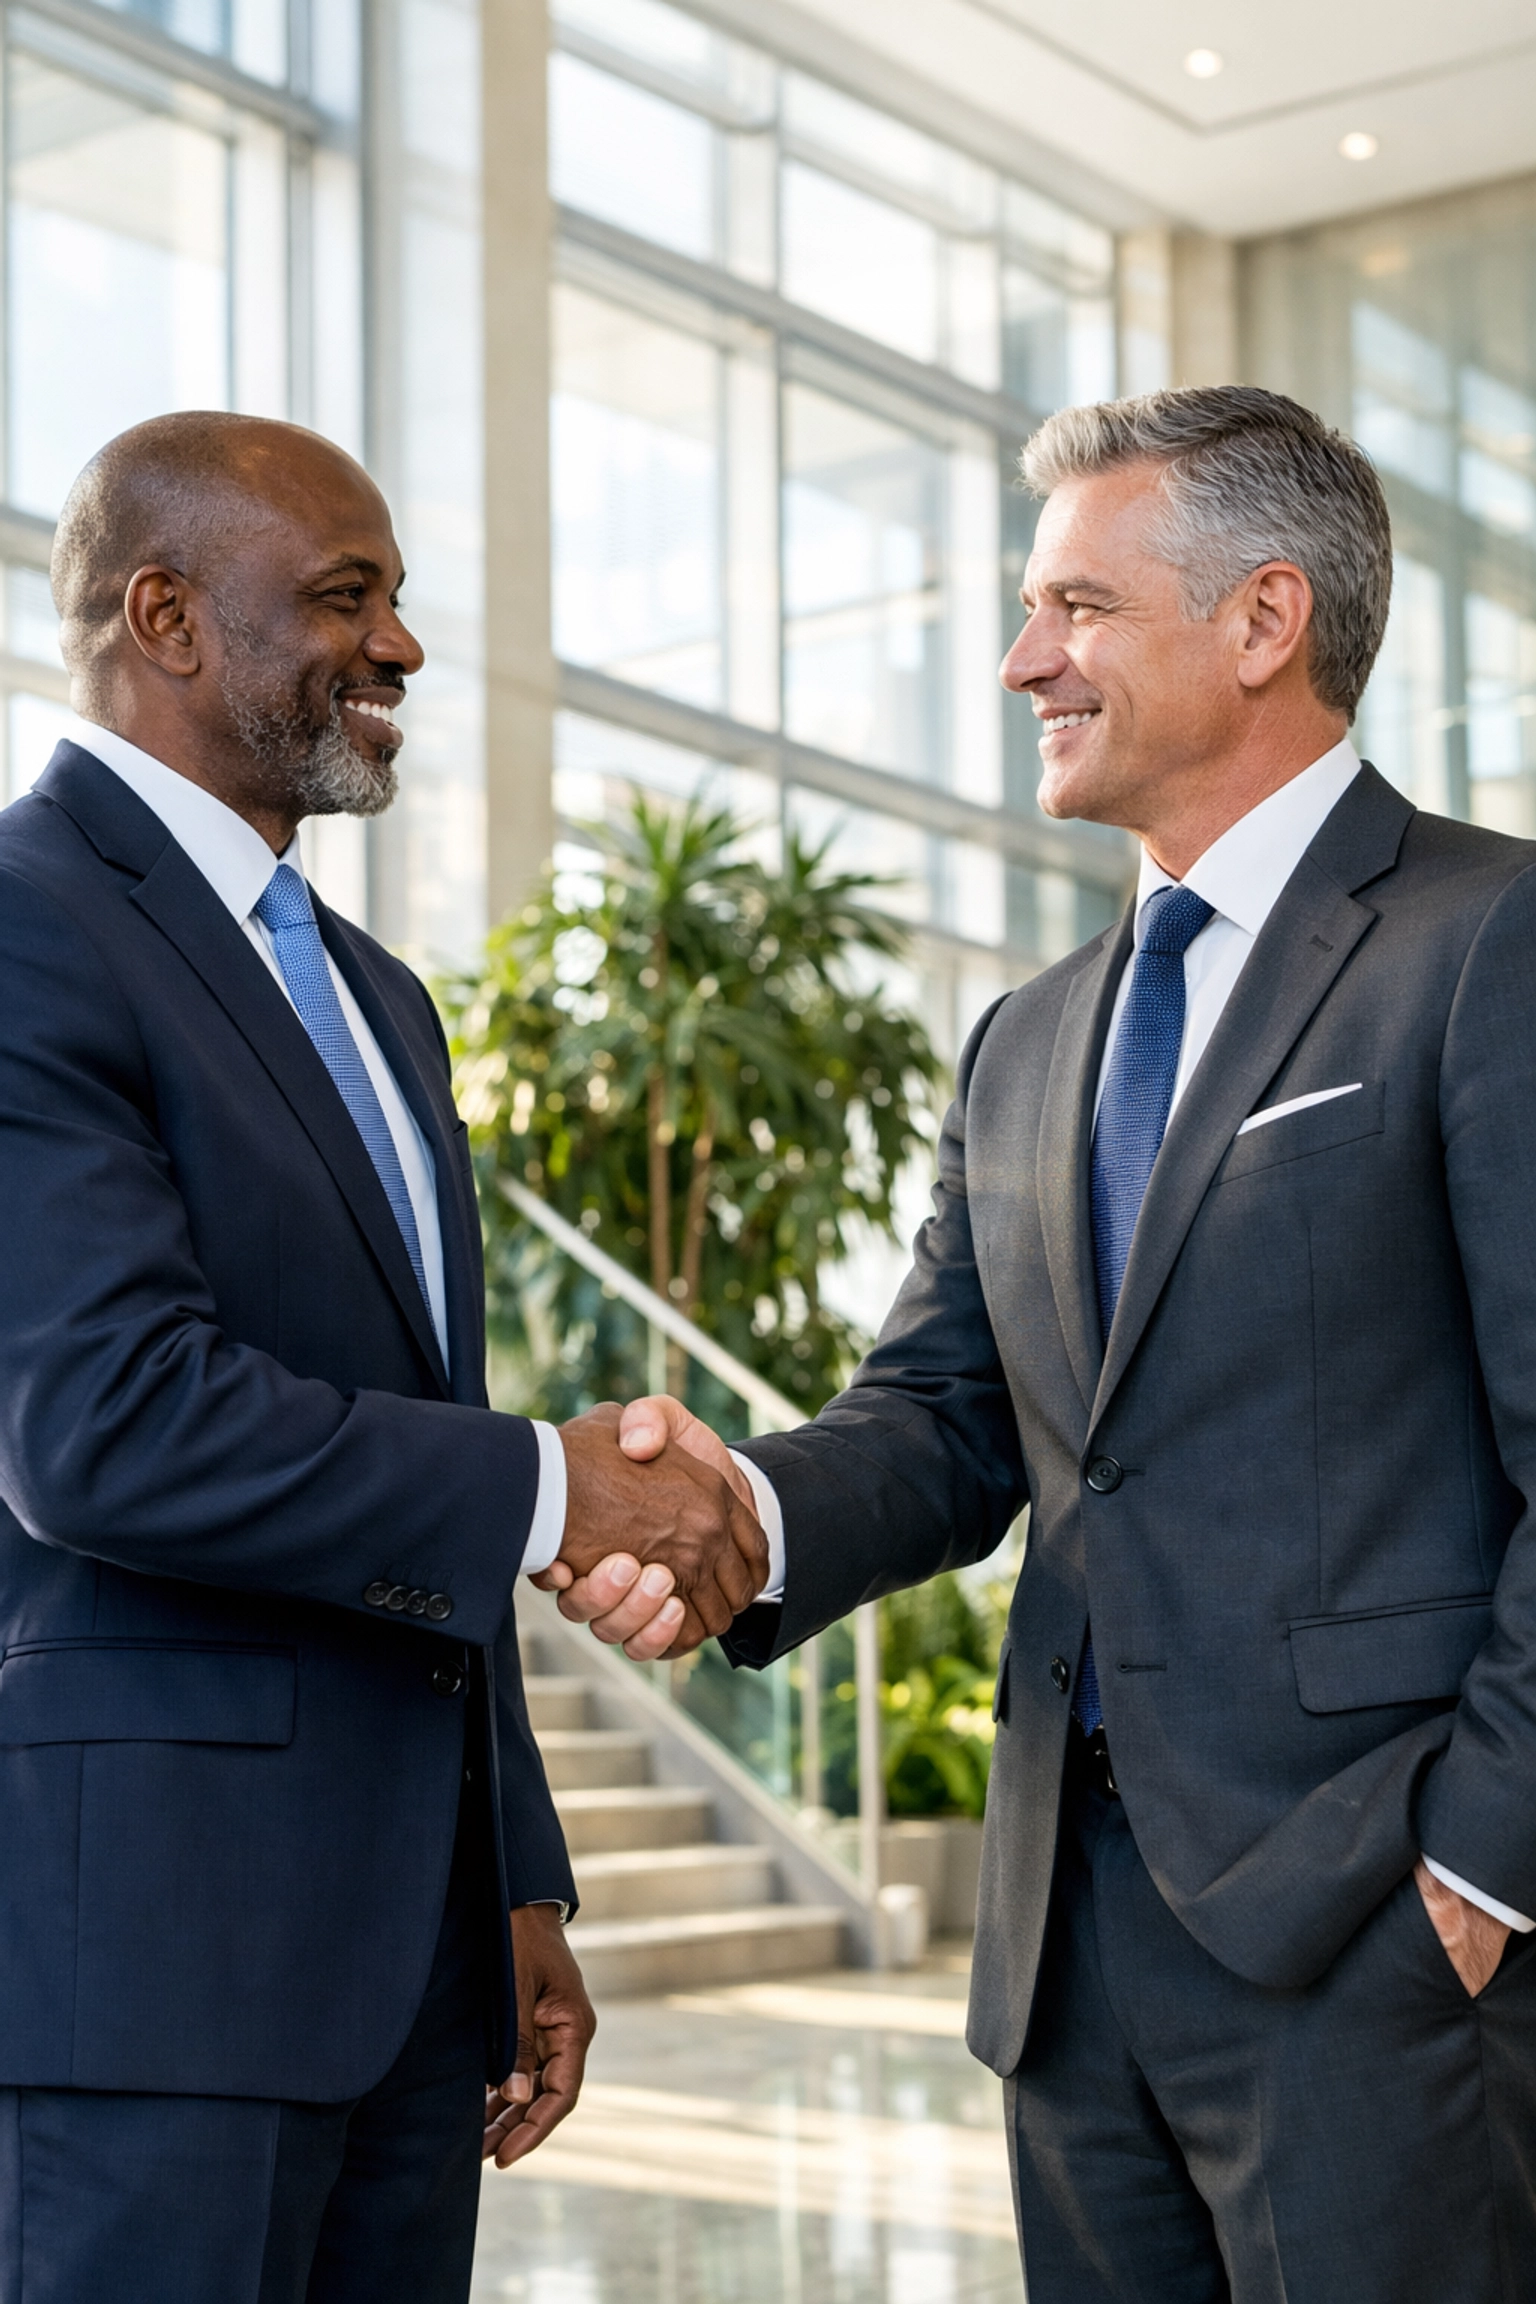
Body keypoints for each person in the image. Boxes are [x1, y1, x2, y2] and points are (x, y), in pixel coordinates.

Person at [554, 386, 1536, 2301]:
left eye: (1076, 608)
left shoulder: (1488, 940)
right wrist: (737, 1511)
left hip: (1378, 1939)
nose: (1023, 662)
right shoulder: (1028, 1036)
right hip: (1066, 1965)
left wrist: (1481, 1871)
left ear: (1264, 622)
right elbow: (944, 1415)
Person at [0, 411, 766, 2302]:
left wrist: (511, 1875)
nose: (403, 647)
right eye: (346, 600)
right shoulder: (24, 925)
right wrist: (560, 1478)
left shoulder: (374, 999)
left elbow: (408, 1460)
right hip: (148, 1992)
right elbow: (101, 1426)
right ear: (163, 616)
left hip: (415, 1981)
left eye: (399, 599)